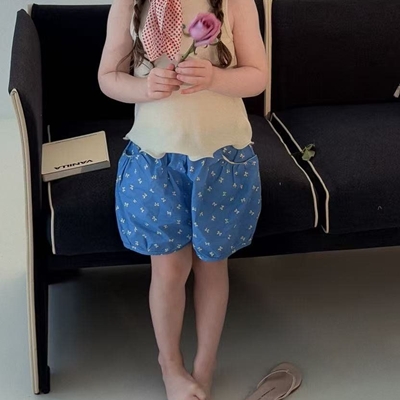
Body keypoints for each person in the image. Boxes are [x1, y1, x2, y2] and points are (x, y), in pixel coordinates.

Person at [98, 0, 267, 399]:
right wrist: (144, 87)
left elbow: (258, 76)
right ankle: (170, 364)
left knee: (212, 265)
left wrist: (215, 78)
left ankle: (204, 366)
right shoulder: (128, 4)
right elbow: (108, 76)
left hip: (221, 160)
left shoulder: (236, 3)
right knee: (169, 271)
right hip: (156, 161)